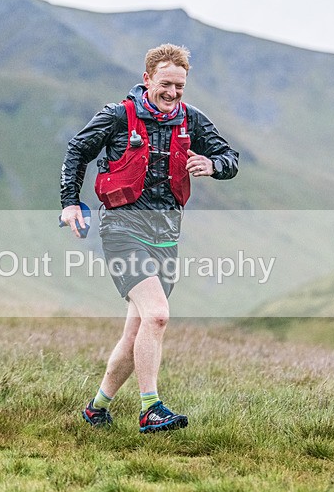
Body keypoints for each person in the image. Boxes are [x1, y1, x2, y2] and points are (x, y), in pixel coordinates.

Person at [60, 44, 239, 433]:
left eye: (179, 86)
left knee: (137, 330)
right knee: (157, 315)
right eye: (165, 84)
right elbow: (77, 150)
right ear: (147, 80)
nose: (173, 93)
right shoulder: (117, 117)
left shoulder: (192, 120)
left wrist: (214, 164)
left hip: (166, 235)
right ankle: (150, 408)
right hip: (121, 229)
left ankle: (96, 408)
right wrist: (70, 203)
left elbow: (231, 159)